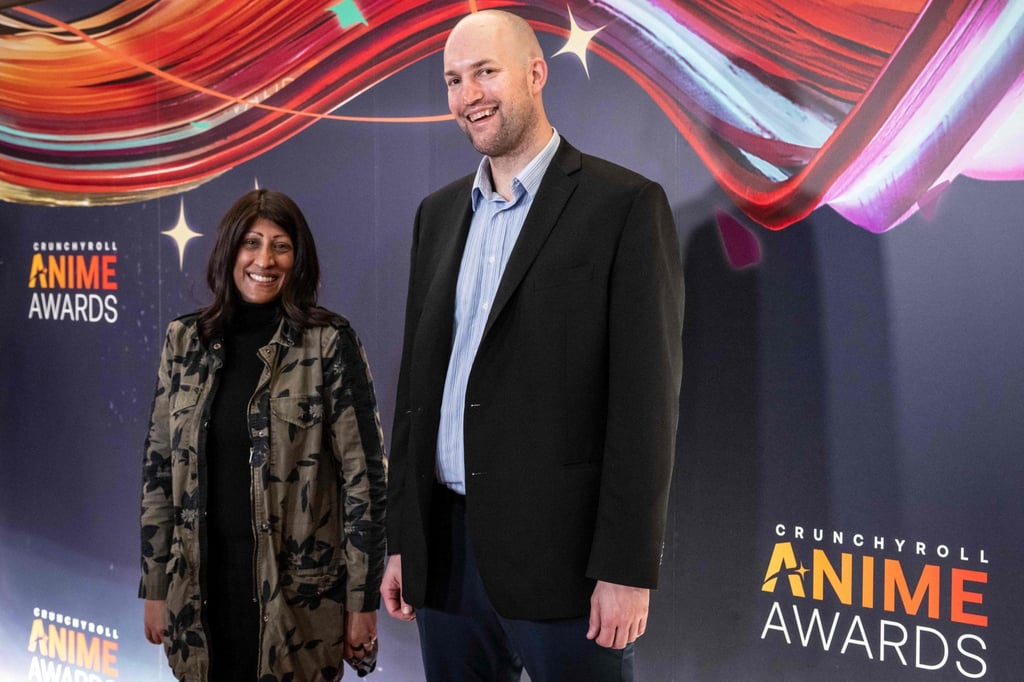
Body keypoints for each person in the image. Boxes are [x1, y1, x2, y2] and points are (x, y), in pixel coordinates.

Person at [382, 9, 684, 682]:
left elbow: (645, 407)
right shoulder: (436, 215)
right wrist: (405, 540)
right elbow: (417, 394)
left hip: (565, 565)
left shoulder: (623, 206)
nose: (469, 95)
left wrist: (626, 569)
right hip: (446, 558)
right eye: (453, 80)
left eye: (485, 72)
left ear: (536, 73)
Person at [139, 189, 387, 681]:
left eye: (281, 246)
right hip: (200, 592)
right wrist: (155, 585)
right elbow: (159, 470)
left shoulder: (329, 343)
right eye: (251, 243)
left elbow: (366, 480)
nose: (264, 260)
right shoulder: (184, 341)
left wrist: (362, 602)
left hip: (297, 603)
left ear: (299, 259)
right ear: (229, 251)